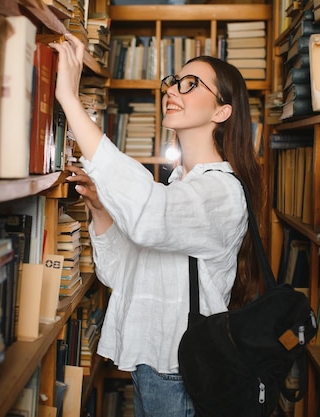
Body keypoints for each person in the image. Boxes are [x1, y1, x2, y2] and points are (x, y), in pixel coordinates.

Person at [49, 33, 265, 417]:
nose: (172, 90)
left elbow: (150, 215)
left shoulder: (221, 191)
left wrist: (69, 98)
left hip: (181, 373)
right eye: (172, 82)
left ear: (222, 111)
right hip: (154, 365)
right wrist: (100, 208)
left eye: (190, 84)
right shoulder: (178, 185)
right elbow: (118, 272)